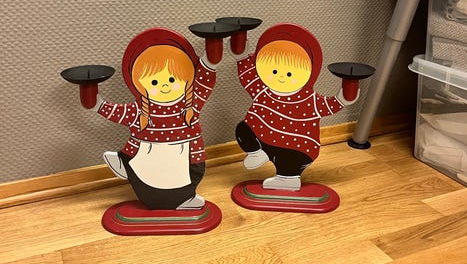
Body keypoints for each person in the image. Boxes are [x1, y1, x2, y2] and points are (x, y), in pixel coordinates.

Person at [95, 28, 216, 210]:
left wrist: (211, 59)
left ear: (188, 78)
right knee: (147, 174)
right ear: (137, 84)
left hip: (184, 158)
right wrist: (96, 103)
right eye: (154, 82)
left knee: (182, 177)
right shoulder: (139, 110)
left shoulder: (191, 103)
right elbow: (118, 112)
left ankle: (185, 198)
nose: (165, 86)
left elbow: (205, 80)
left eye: (173, 79)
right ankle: (126, 166)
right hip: (148, 159)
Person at [232, 23, 358, 191]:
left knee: (288, 160)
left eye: (289, 74)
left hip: (295, 148)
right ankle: (256, 152)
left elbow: (330, 105)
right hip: (262, 140)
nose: (281, 77)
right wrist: (240, 56)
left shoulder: (309, 99)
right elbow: (247, 75)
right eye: (274, 71)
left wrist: (345, 96)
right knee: (243, 129)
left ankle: (288, 179)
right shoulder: (262, 89)